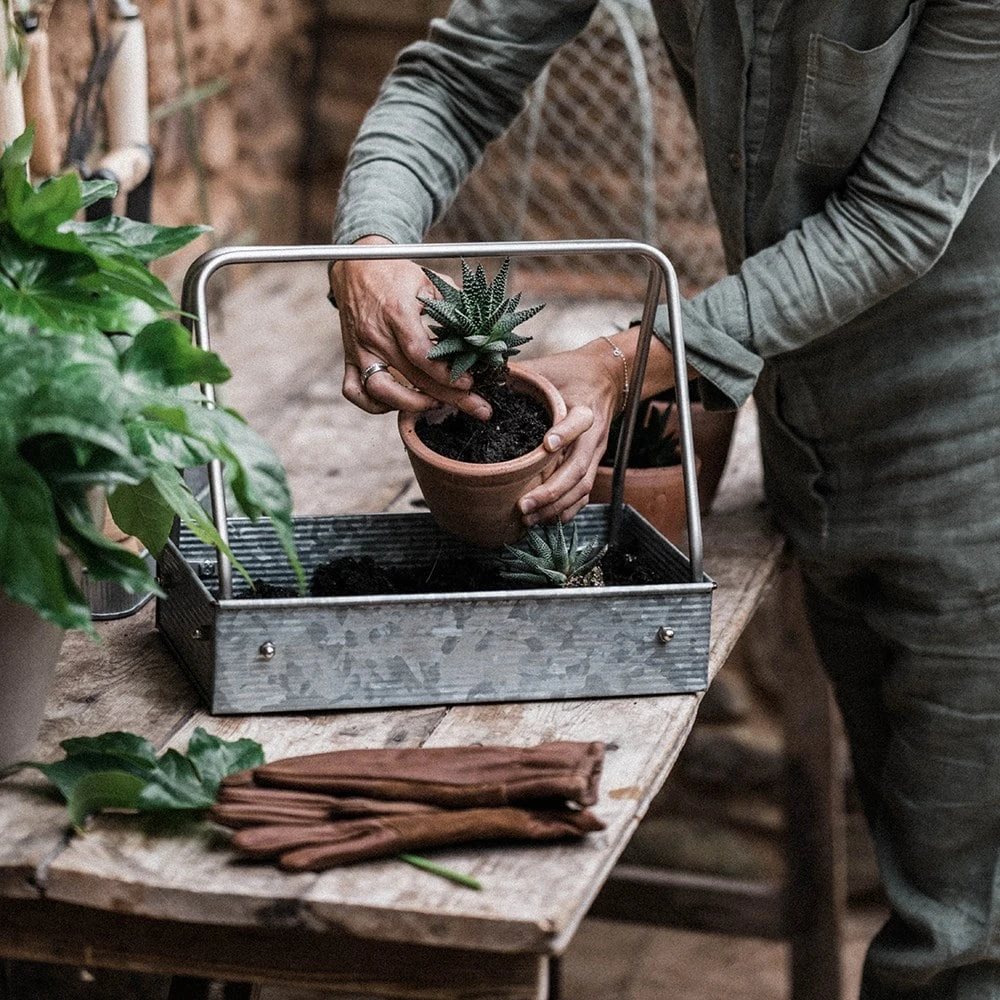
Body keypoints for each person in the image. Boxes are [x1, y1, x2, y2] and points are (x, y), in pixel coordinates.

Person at [328, 3, 1000, 996]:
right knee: (924, 860)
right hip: (810, 428)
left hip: (969, 440)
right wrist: (371, 242)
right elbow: (461, 68)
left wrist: (624, 360)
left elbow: (892, 217)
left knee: (959, 939)